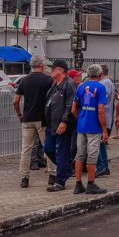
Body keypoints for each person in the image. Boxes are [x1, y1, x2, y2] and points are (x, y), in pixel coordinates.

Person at [14, 55, 55, 189]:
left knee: (26, 148)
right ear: (42, 65)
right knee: (48, 146)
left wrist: (20, 114)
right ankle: (52, 174)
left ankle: (24, 177)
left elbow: (15, 101)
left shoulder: (24, 81)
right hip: (42, 119)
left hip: (27, 118)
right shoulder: (48, 80)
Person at [71, 64, 109, 195]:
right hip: (94, 126)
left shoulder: (81, 87)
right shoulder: (100, 87)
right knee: (92, 155)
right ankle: (91, 183)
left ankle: (78, 183)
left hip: (82, 125)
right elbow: (101, 110)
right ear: (100, 75)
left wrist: (80, 118)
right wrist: (104, 130)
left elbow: (74, 108)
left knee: (80, 154)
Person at [43, 60, 76, 192]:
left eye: (54, 69)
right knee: (48, 148)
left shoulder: (69, 84)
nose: (51, 71)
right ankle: (67, 168)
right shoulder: (54, 85)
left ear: (61, 70)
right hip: (51, 124)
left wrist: (64, 121)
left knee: (61, 151)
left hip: (62, 125)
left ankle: (60, 181)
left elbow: (70, 105)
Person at [95, 66, 115, 177]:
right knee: (101, 143)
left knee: (97, 143)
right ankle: (105, 167)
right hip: (104, 116)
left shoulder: (105, 83)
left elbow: (103, 100)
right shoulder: (106, 82)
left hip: (103, 116)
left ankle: (102, 166)